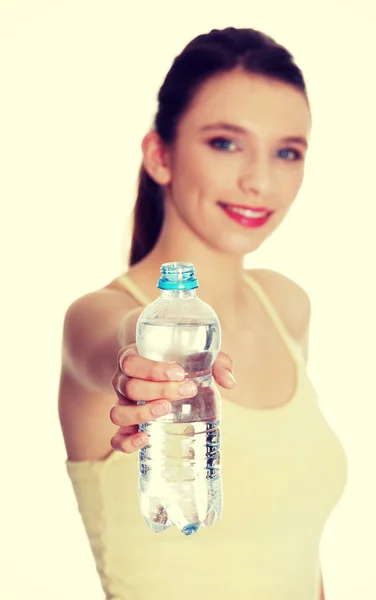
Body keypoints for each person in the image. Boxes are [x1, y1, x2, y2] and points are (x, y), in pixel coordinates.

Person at [59, 26, 348, 600]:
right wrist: (142, 356)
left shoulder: (285, 305)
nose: (260, 181)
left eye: (287, 152)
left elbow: (297, 558)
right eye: (225, 142)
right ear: (160, 156)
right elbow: (113, 344)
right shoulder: (99, 316)